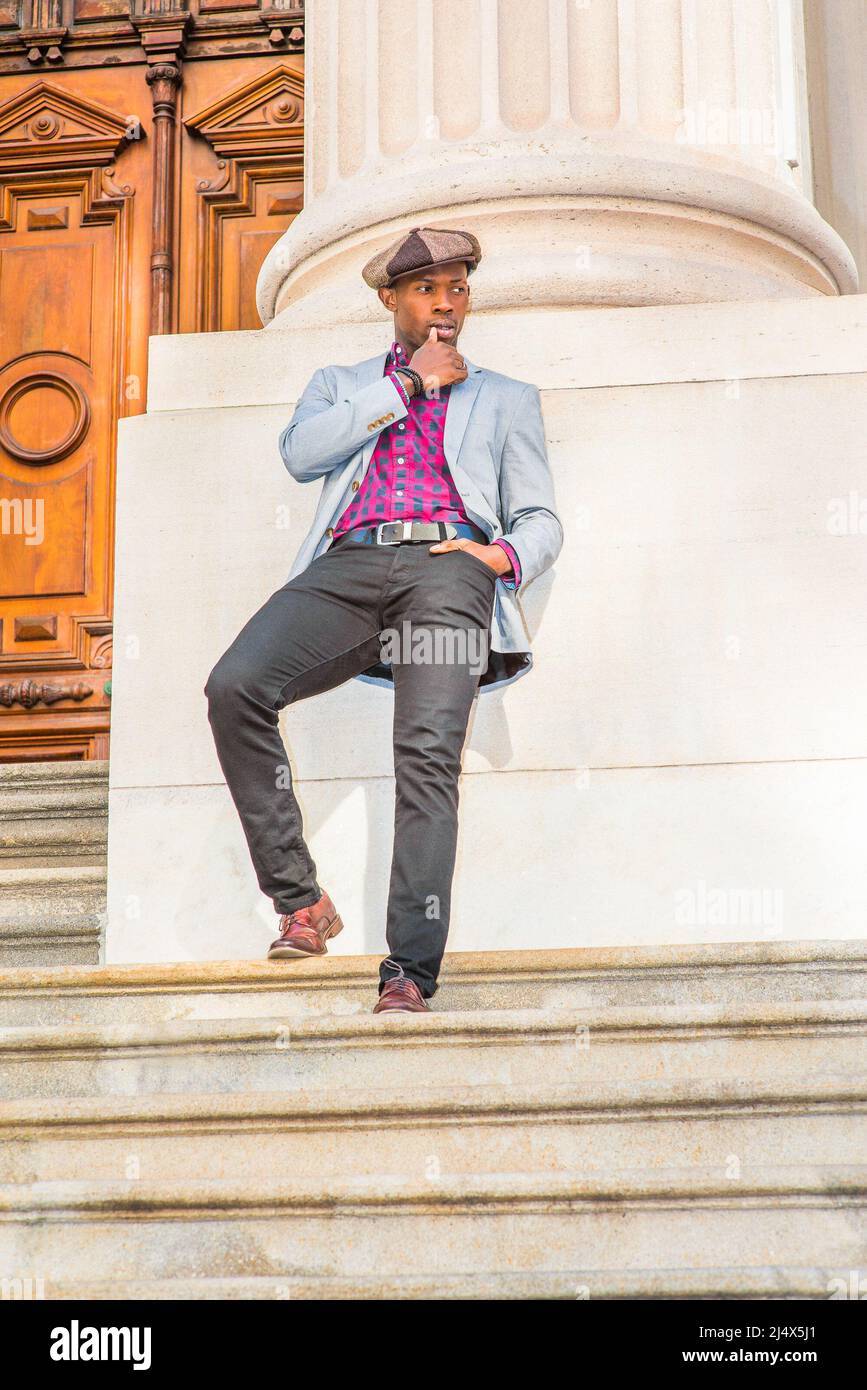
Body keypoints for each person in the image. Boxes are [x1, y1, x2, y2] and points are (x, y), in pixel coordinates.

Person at [205, 225, 563, 1012]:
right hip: (349, 565)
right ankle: (300, 900)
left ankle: (408, 970)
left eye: (458, 287)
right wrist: (407, 387)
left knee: (425, 758)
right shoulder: (340, 382)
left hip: (446, 574)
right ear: (390, 300)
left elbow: (540, 517)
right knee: (236, 687)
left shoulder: (506, 398)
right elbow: (302, 453)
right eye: (428, 289)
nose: (446, 303)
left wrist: (494, 557)